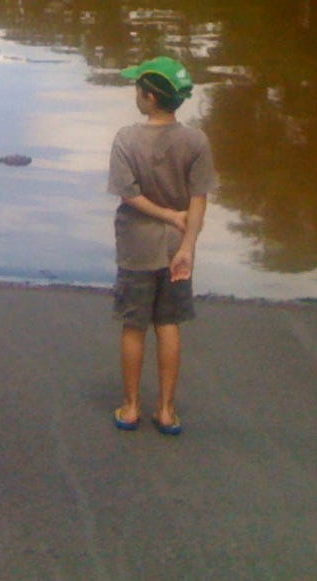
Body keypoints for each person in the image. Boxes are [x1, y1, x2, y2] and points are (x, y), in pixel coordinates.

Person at [107, 56, 215, 437]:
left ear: (150, 97)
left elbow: (128, 194)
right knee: (168, 324)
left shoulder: (127, 139)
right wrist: (188, 244)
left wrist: (166, 215)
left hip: (137, 246)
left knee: (134, 326)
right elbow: (199, 198)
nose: (136, 93)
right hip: (175, 250)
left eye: (139, 88)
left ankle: (131, 406)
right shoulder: (196, 141)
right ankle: (167, 410)